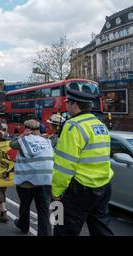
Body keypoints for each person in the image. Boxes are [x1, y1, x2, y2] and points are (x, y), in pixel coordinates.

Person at [52, 89, 114, 236]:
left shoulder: (72, 125)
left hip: (79, 189)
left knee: (61, 227)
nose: (66, 107)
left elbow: (64, 165)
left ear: (74, 105)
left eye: (68, 103)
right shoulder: (100, 124)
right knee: (101, 229)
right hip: (103, 186)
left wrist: (56, 192)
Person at [9, 119, 54, 236]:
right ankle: (45, 233)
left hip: (26, 181)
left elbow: (11, 144)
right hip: (45, 181)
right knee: (43, 211)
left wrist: (23, 134)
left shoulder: (23, 140)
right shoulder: (46, 141)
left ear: (27, 128)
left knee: (25, 205)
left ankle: (23, 225)